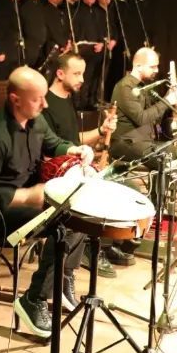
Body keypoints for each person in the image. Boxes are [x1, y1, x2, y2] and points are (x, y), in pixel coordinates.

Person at [0, 67, 95, 337]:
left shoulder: (36, 121)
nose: (45, 104)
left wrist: (75, 149)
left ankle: (60, 278)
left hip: (28, 201)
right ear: (15, 99)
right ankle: (35, 298)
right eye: (38, 98)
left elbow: (53, 143)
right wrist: (27, 196)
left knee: (80, 214)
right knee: (65, 224)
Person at [107, 48, 177, 266]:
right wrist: (167, 100)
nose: (156, 70)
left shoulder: (144, 87)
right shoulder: (125, 87)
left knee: (175, 155)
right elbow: (142, 118)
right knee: (166, 158)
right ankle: (150, 218)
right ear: (138, 65)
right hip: (125, 143)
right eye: (153, 66)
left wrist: (173, 101)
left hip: (143, 142)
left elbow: (156, 117)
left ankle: (165, 216)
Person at [41, 52, 118, 278]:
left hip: (74, 165)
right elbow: (49, 151)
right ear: (60, 74)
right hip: (57, 173)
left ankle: (101, 245)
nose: (82, 79)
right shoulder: (45, 104)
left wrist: (102, 130)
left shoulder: (68, 100)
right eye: (76, 74)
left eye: (83, 74)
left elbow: (75, 141)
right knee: (97, 194)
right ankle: (90, 250)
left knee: (120, 184)